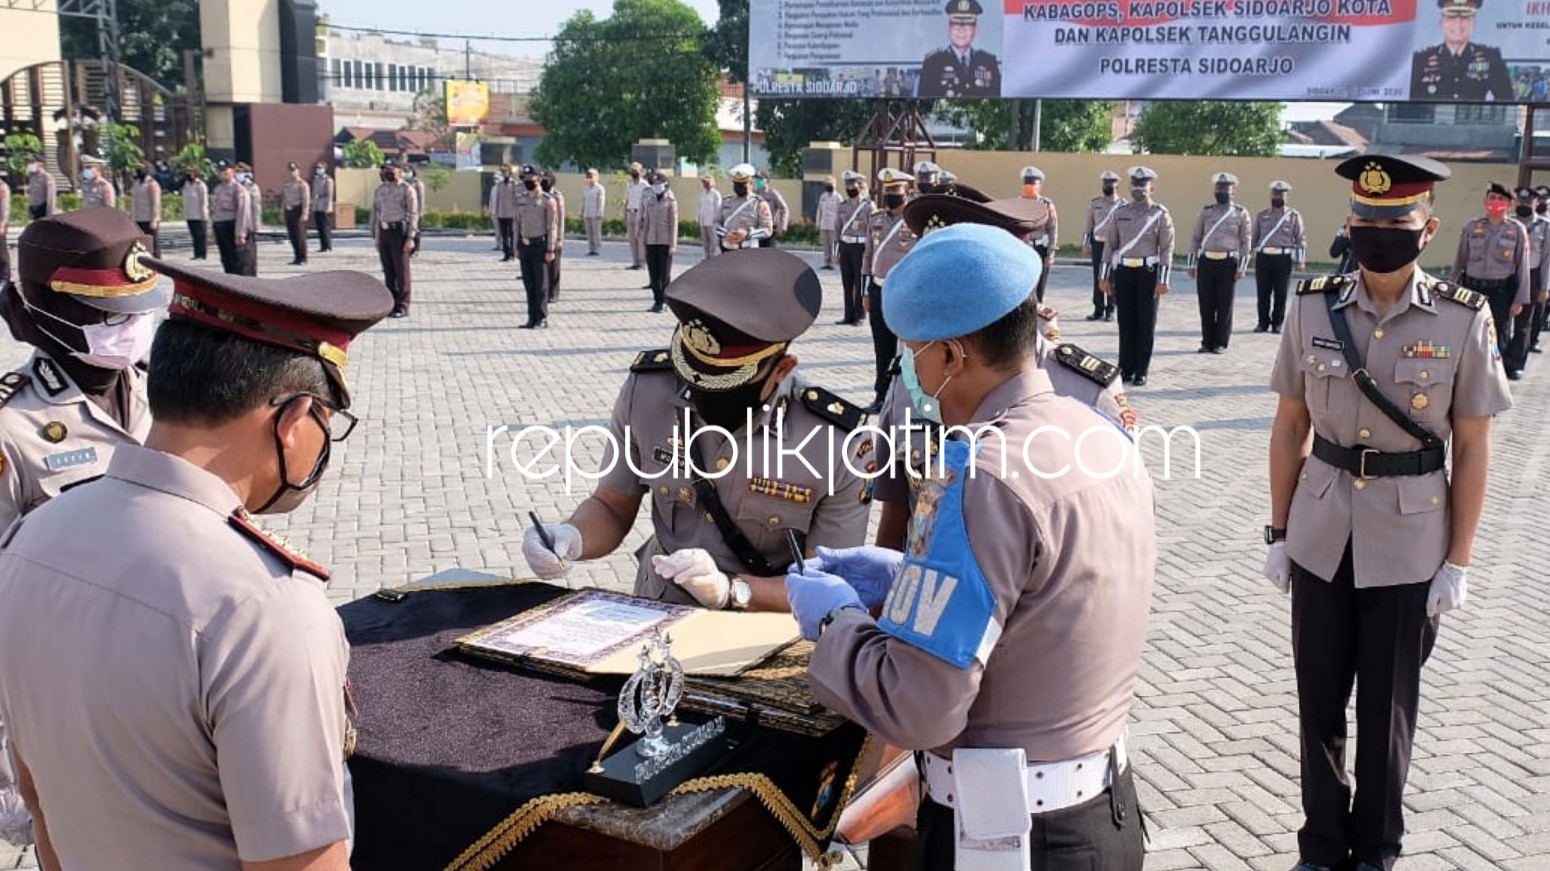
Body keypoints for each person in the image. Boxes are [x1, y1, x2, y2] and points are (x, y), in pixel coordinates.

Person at [0, 254, 393, 871]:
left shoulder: (31, 538)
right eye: (328, 421)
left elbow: (41, 802)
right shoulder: (264, 605)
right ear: (294, 422)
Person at [787, 223, 1154, 871]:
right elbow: (1042, 600)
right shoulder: (1092, 432)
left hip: (1008, 839)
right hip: (1101, 813)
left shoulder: (980, 469)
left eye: (912, 353)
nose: (908, 368)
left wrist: (836, 622)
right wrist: (908, 575)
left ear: (952, 357)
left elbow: (920, 704)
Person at [1265, 152, 1511, 871]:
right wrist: (1279, 533)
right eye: (1367, 222)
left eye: (1395, 224)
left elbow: (1473, 447)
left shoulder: (1464, 319)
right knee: (1318, 704)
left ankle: (1375, 849)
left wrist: (1458, 560)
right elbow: (1288, 427)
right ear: (1349, 224)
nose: (1379, 235)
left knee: (1386, 710)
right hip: (1320, 533)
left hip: (1409, 541)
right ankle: (1319, 845)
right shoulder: (1311, 305)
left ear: (1426, 230)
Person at [521, 249, 869, 611]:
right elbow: (612, 504)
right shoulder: (648, 392)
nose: (705, 397)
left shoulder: (837, 443)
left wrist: (732, 591)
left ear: (782, 369)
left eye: (728, 386)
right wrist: (572, 537)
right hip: (659, 608)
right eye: (694, 379)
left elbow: (828, 585)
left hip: (768, 627)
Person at [0, 209, 166, 845]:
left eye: (139, 309)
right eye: (113, 314)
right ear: (52, 309)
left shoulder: (167, 394)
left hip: (167, 692)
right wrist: (11, 779)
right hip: (67, 716)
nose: (133, 327)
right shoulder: (13, 426)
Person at [870, 186, 1138, 550]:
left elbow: (1115, 536)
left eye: (957, 275)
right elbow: (896, 514)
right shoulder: (910, 381)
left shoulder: (1086, 390)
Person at [1100, 166, 1174, 386]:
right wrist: (1104, 277)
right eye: (1135, 185)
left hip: (1147, 274)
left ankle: (1141, 370)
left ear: (1152, 188)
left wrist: (1163, 280)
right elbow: (1110, 245)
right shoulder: (1120, 212)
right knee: (1125, 321)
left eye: (1143, 186)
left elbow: (1167, 248)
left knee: (1145, 322)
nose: (1139, 189)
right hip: (1124, 273)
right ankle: (1125, 367)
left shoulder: (1160, 214)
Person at [1450, 181, 1530, 376]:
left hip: (1501, 292)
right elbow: (1460, 261)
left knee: (1497, 335)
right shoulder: (1472, 226)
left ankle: (1494, 375)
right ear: (1485, 200)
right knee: (1470, 333)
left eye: (1500, 199)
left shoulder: (1517, 230)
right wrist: (1451, 289)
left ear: (1509, 204)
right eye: (1492, 197)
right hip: (1472, 289)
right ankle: (1469, 374)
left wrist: (1520, 299)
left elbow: (1523, 266)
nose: (1495, 202)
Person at [862, 167, 919, 412]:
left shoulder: (914, 221)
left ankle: (907, 397)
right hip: (877, 288)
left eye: (896, 190)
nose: (891, 195)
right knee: (881, 346)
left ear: (906, 192)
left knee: (907, 347)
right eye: (888, 191)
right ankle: (881, 396)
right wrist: (865, 291)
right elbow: (867, 256)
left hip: (903, 291)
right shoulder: (875, 219)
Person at [1188, 172, 1251, 354]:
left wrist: (1242, 267)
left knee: (1225, 305)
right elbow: (1195, 238)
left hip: (1228, 263)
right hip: (1206, 261)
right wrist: (1192, 264)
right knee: (1206, 304)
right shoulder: (1206, 212)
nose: (1222, 191)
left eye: (1226, 189)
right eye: (1219, 188)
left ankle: (1221, 342)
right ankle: (1206, 341)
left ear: (1233, 191)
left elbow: (1246, 241)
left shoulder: (1240, 213)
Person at [1409, 0, 1512, 102]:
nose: (1458, 24)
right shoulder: (1421, 60)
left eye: (1465, 17)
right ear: (1441, 23)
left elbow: (1507, 99)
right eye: (1451, 17)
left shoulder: (1490, 58)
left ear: (1474, 23)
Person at [1253, 180, 1309, 334]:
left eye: (1281, 194)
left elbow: (1300, 238)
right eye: (1275, 194)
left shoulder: (1293, 216)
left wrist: (1300, 260)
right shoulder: (1262, 215)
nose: (1278, 197)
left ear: (1287, 196)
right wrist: (1247, 257)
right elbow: (1253, 237)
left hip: (1283, 259)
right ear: (1270, 195)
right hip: (1264, 258)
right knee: (1263, 292)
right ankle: (1262, 323)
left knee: (1281, 292)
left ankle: (1277, 323)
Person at [1504, 185, 1550, 374]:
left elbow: (1548, 258)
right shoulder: (1508, 223)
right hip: (1507, 276)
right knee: (1502, 321)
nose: (1524, 204)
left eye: (1528, 201)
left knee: (1524, 323)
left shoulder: (1545, 226)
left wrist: (1545, 287)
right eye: (1521, 201)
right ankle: (1499, 361)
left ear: (1536, 203)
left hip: (1532, 275)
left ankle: (1515, 364)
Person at [916, 0, 1001, 98]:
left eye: (967, 26)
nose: (961, 31)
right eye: (956, 26)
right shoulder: (933, 62)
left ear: (976, 30)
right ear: (948, 29)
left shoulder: (988, 62)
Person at [371, 159, 419, 319]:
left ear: (400, 170)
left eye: (391, 169)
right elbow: (377, 213)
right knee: (388, 270)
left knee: (401, 271)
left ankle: (403, 305)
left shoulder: (407, 190)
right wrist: (377, 237)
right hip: (384, 232)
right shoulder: (380, 189)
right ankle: (390, 303)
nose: (387, 172)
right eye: (385, 170)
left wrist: (411, 237)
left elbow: (413, 215)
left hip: (399, 233)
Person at [513, 164, 556, 329]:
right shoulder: (521, 199)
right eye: (525, 178)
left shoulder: (547, 201)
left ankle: (542, 317)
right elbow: (517, 224)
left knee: (541, 284)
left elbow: (551, 226)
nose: (527, 181)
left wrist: (551, 249)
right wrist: (516, 246)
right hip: (525, 245)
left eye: (531, 178)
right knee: (528, 283)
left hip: (540, 245)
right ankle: (531, 317)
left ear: (538, 178)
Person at [1082, 171, 1123, 322]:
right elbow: (1089, 225)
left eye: (1111, 183)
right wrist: (1086, 244)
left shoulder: (1123, 205)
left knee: (1112, 276)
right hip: (1097, 243)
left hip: (1114, 246)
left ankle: (1110, 309)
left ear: (1117, 184)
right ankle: (1098, 308)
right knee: (1098, 276)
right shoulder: (1095, 203)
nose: (1107, 185)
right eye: (1105, 183)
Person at [834, 170, 873, 326]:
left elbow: (872, 230)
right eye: (848, 184)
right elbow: (837, 229)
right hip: (846, 246)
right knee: (847, 282)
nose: (850, 188)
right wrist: (836, 252)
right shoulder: (843, 206)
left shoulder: (868, 206)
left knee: (859, 281)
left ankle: (860, 315)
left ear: (860, 185)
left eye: (853, 184)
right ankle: (848, 315)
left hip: (860, 246)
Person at [640, 170, 679, 313]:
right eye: (654, 184)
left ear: (665, 184)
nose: (656, 186)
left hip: (665, 241)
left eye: (658, 184)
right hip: (651, 241)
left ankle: (664, 300)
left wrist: (673, 244)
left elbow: (673, 224)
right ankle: (656, 300)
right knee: (653, 273)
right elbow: (647, 223)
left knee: (664, 273)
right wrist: (644, 242)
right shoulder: (649, 201)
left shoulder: (671, 202)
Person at [1019, 165, 1058, 302]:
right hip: (1024, 248)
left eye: (1032, 184)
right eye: (1027, 184)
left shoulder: (1046, 204)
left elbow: (1052, 229)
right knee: (1025, 283)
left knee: (1040, 285)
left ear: (1039, 186)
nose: (1029, 187)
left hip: (1041, 248)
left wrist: (1050, 254)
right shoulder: (1018, 203)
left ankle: (1038, 311)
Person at [717, 163, 774, 252]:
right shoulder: (725, 202)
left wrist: (747, 235)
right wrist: (726, 234)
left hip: (749, 251)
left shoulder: (759, 203)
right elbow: (715, 224)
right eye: (736, 184)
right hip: (728, 249)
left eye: (743, 184)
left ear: (750, 183)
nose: (739, 187)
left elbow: (767, 229)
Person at [210, 160, 252, 277]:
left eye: (225, 170)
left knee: (238, 261)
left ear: (233, 171)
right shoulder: (218, 189)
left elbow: (242, 212)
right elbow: (215, 211)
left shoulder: (238, 189)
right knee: (226, 260)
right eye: (220, 171)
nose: (222, 173)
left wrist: (240, 233)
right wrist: (214, 231)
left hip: (232, 227)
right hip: (220, 227)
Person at [127, 162, 162, 259]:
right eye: (137, 168)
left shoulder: (152, 184)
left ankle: (157, 263)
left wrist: (154, 219)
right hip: (138, 218)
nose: (138, 171)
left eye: (141, 168)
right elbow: (133, 201)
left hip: (149, 218)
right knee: (141, 244)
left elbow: (155, 203)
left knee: (153, 243)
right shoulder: (136, 183)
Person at [1530, 186, 1550, 355]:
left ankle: (1534, 338)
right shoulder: (1532, 221)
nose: (1543, 203)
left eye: (1545, 199)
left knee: (1541, 307)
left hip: (1547, 266)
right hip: (1538, 265)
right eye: (1540, 199)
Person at [281, 162, 311, 266]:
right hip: (289, 210)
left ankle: (303, 257)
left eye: (294, 170)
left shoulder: (302, 184)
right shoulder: (287, 184)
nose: (292, 173)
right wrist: (282, 212)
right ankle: (296, 256)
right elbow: (284, 199)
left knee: (300, 235)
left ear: (298, 171)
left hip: (298, 210)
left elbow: (306, 200)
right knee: (292, 235)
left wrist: (305, 213)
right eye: (290, 171)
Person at [541, 169, 564, 301]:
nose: (544, 181)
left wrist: (560, 238)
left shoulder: (557, 196)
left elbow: (560, 219)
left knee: (554, 267)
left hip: (554, 236)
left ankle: (553, 292)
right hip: (542, 234)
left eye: (546, 179)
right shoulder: (539, 195)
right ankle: (544, 291)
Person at [181, 163, 210, 261]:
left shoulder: (200, 185)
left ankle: (202, 254)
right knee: (194, 235)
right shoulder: (186, 185)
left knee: (201, 235)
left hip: (199, 215)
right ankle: (196, 253)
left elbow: (203, 201)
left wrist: (204, 215)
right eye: (188, 172)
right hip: (190, 214)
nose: (189, 174)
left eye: (191, 172)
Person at [237, 163, 261, 276]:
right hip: (237, 223)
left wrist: (256, 223)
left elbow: (256, 206)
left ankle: (250, 272)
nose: (238, 174)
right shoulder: (235, 186)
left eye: (241, 172)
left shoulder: (252, 187)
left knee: (249, 251)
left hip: (249, 223)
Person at [755, 170, 789, 248]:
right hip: (755, 230)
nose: (757, 181)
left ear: (767, 180)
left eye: (760, 179)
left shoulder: (773, 194)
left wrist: (782, 226)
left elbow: (784, 209)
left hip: (769, 229)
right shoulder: (754, 194)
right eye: (757, 179)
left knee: (768, 255)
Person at [626, 163, 649, 269]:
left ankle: (642, 262)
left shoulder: (645, 185)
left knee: (640, 239)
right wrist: (624, 215)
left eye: (636, 170)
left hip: (640, 214)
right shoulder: (629, 185)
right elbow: (627, 201)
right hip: (630, 212)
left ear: (641, 171)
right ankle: (635, 262)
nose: (633, 172)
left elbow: (648, 202)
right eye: (632, 170)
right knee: (632, 239)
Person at [493, 165, 518, 262]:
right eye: (502, 172)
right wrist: (496, 211)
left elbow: (516, 200)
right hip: (501, 213)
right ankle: (506, 253)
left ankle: (513, 253)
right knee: (504, 235)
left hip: (512, 214)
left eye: (505, 172)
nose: (504, 174)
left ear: (509, 173)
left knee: (512, 235)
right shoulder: (499, 185)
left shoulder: (514, 184)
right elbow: (497, 199)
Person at [817, 175, 840, 269]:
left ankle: (833, 263)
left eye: (829, 184)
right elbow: (819, 210)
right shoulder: (823, 196)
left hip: (833, 224)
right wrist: (818, 222)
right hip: (824, 223)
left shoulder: (838, 197)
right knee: (825, 244)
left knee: (832, 244)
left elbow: (840, 212)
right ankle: (826, 262)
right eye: (826, 184)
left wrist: (839, 225)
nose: (828, 186)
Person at [697, 173, 721, 260]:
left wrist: (716, 221)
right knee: (705, 241)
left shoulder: (716, 194)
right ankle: (706, 257)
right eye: (703, 182)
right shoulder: (702, 194)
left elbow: (718, 209)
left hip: (712, 222)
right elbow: (700, 207)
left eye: (706, 182)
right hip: (704, 221)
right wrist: (699, 219)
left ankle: (712, 258)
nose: (705, 184)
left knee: (713, 242)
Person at [312, 162, 335, 254]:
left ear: (324, 169)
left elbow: (330, 194)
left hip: (324, 203)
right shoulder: (316, 179)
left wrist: (329, 205)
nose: (319, 169)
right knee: (319, 227)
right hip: (317, 204)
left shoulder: (328, 180)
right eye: (318, 168)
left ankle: (327, 245)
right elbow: (314, 193)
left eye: (320, 168)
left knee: (325, 226)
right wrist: (313, 205)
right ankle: (322, 245)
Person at [583, 168, 606, 256]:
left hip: (596, 213)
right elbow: (583, 200)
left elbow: (601, 201)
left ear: (596, 177)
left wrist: (600, 212)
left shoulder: (600, 188)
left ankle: (597, 249)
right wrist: (581, 210)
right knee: (589, 232)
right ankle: (591, 249)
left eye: (591, 176)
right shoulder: (586, 188)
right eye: (588, 176)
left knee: (596, 232)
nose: (589, 178)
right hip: (587, 212)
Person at [406, 165, 427, 258]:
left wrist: (419, 212)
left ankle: (416, 249)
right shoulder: (403, 183)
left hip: (416, 212)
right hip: (405, 212)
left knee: (416, 231)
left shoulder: (418, 183)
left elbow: (421, 199)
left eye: (408, 171)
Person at [25, 157, 55, 221]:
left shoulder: (46, 177)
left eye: (33, 163)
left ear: (40, 164)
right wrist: (29, 211)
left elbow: (50, 197)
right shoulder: (32, 177)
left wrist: (50, 213)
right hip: (33, 209)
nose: (31, 165)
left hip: (42, 208)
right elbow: (31, 194)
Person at [0, 177, 8, 286]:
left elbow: (4, 208)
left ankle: (5, 275)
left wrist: (2, 224)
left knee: (2, 251)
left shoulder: (2, 187)